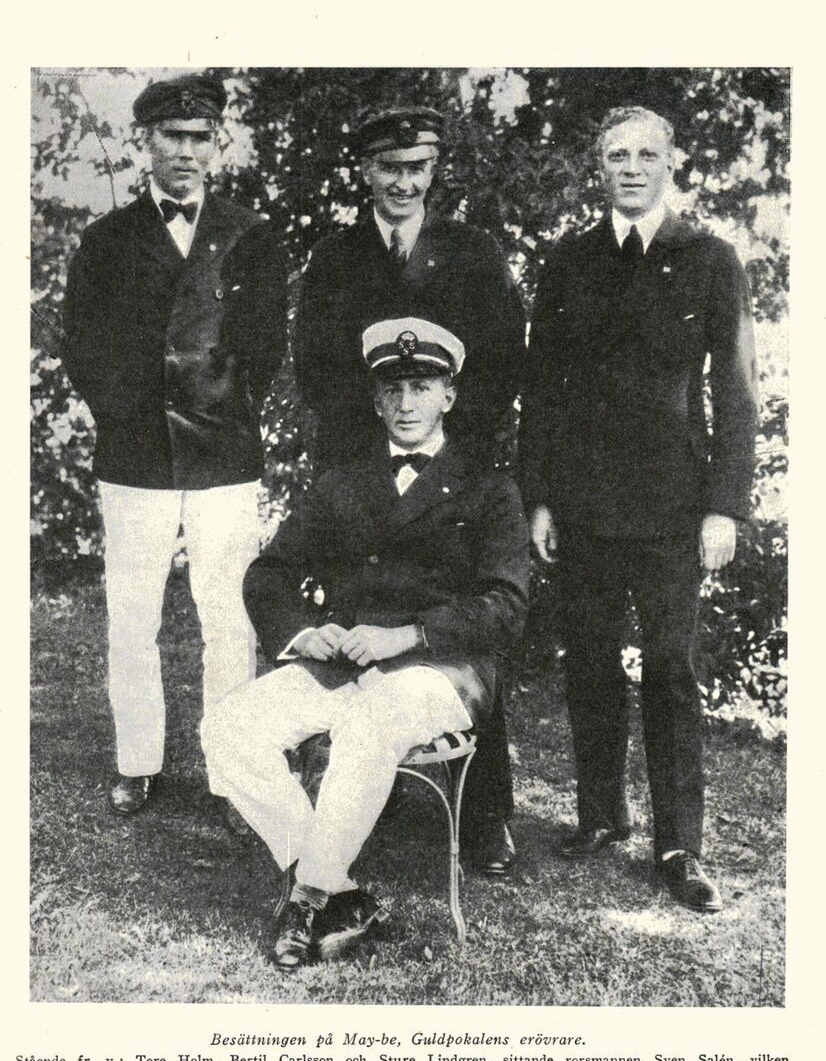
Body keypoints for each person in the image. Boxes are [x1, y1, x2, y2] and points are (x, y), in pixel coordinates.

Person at [203, 318, 530, 971]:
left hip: (440, 667)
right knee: (227, 728)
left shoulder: (488, 488)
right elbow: (268, 573)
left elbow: (507, 604)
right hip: (344, 660)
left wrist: (409, 633)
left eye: (422, 387)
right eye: (393, 389)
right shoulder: (342, 485)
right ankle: (343, 892)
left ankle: (307, 899)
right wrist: (304, 631)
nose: (407, 403)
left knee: (370, 722)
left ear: (448, 396)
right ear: (376, 400)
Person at [520, 105, 758, 913]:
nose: (631, 168)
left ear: (670, 163)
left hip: (672, 509)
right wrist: (539, 498)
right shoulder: (571, 261)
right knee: (588, 661)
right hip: (583, 504)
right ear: (599, 167)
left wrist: (724, 506)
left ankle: (679, 844)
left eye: (646, 155)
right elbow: (541, 391)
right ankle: (600, 815)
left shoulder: (710, 259)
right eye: (616, 155)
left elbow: (736, 391)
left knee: (669, 670)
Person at [296, 103, 527, 874]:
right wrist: (373, 449)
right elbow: (314, 367)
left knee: (462, 620)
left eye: (417, 168)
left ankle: (486, 811)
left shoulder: (472, 254)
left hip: (452, 473)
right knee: (360, 613)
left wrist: (447, 450)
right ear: (367, 170)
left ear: (433, 170)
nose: (403, 182)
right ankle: (370, 789)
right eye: (390, 168)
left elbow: (502, 361)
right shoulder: (336, 258)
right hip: (360, 468)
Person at [62, 73, 287, 821]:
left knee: (228, 616)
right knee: (134, 617)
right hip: (137, 456)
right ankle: (138, 763)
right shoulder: (107, 241)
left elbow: (265, 345)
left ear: (214, 144)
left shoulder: (250, 234)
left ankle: (229, 768)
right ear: (146, 142)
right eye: (173, 137)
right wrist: (130, 414)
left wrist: (226, 407)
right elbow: (83, 347)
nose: (187, 151)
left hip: (224, 453)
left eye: (200, 138)